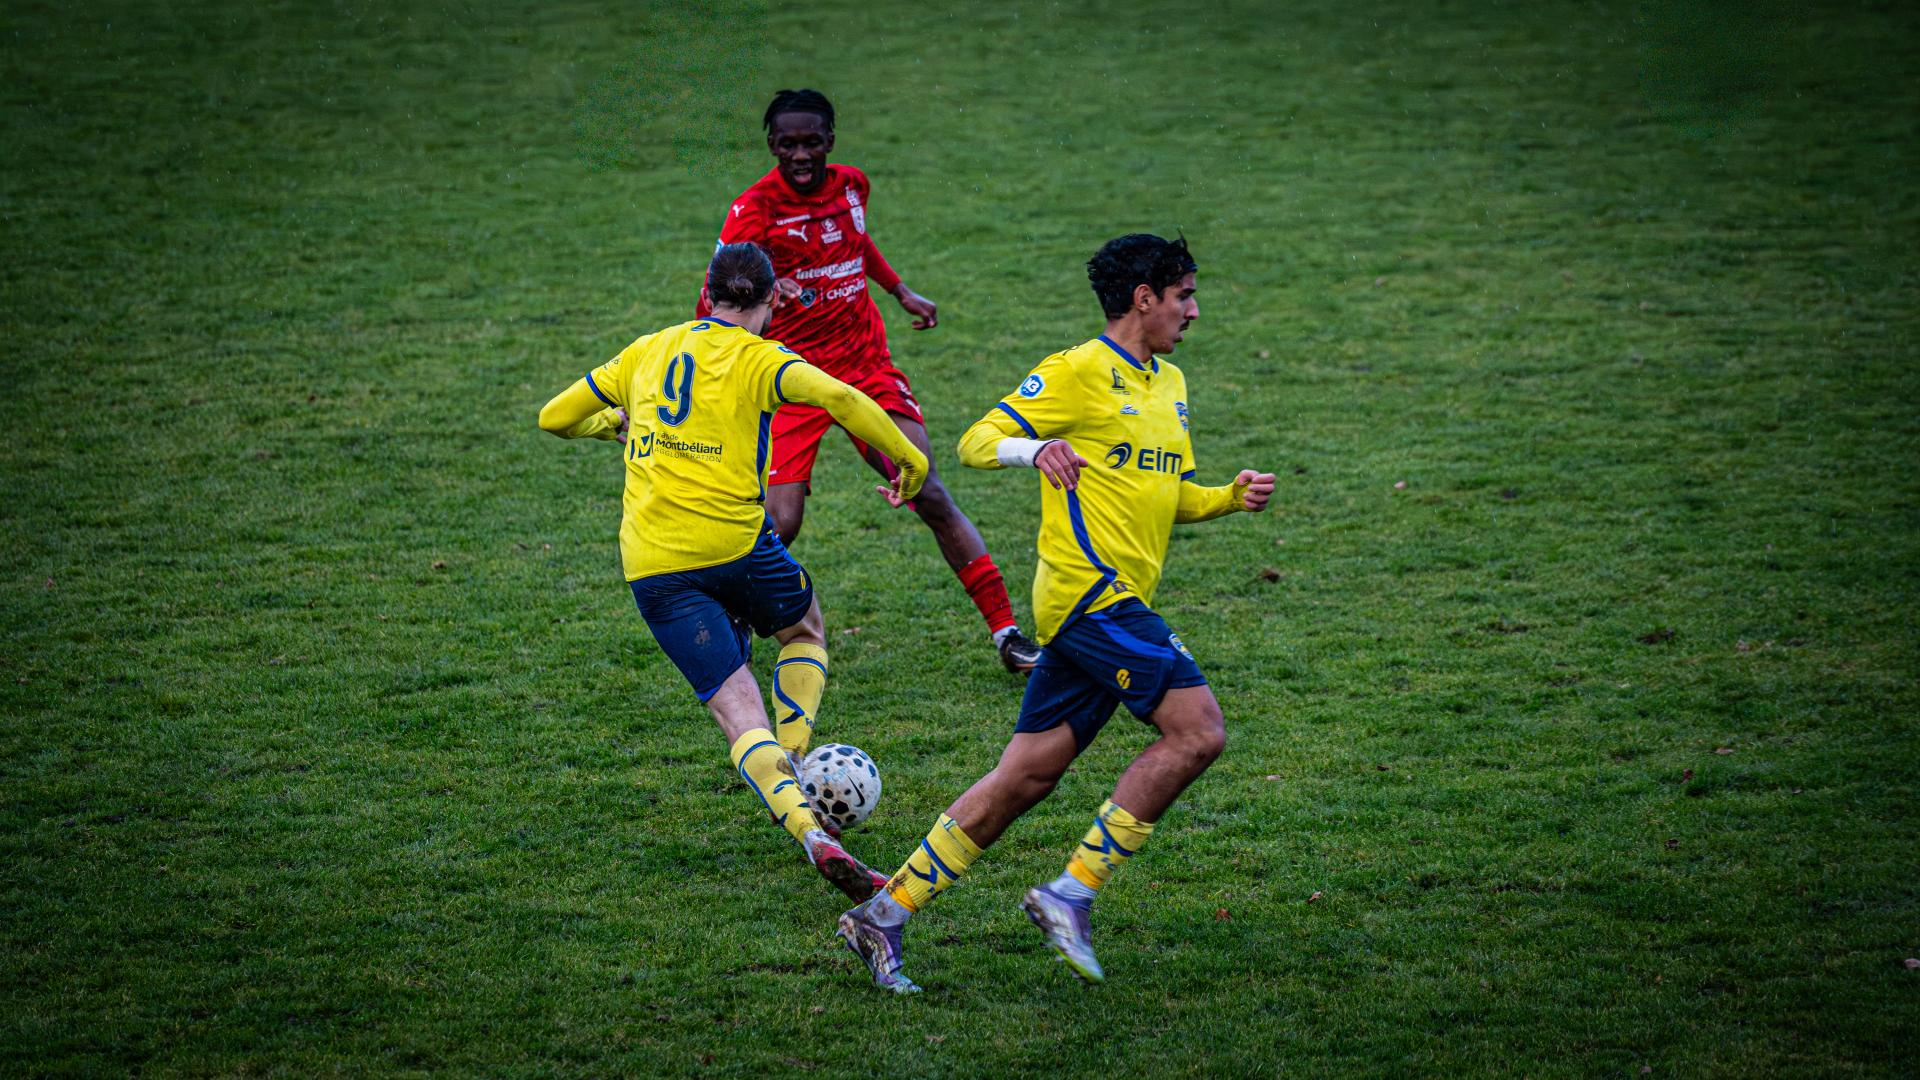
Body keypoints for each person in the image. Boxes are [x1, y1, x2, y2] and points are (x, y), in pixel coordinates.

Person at [834, 234, 1277, 992]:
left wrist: (1226, 499)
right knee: (1198, 731)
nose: (1194, 312)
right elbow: (976, 441)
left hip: (1112, 605)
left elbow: (1164, 494)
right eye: (1185, 296)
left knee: (1025, 778)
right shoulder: (1076, 370)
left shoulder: (1170, 382)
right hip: (1090, 595)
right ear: (1144, 299)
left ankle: (882, 913)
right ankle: (1071, 893)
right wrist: (1034, 450)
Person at [539, 241, 928, 903]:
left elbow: (553, 417)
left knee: (737, 710)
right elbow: (843, 397)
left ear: (708, 292)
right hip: (736, 546)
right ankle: (797, 753)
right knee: (804, 628)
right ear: (773, 299)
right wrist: (908, 461)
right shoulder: (762, 359)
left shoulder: (645, 351)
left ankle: (809, 832)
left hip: (653, 564)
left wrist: (612, 425)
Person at [697, 88, 1043, 675]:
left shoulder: (853, 186)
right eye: (788, 144)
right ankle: (728, 616)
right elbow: (713, 297)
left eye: (812, 142)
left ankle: (1008, 636)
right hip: (792, 380)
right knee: (780, 523)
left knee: (927, 486)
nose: (800, 155)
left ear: (830, 140)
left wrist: (899, 290)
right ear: (772, 145)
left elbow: (854, 244)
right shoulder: (752, 210)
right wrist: (746, 312)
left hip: (864, 367)